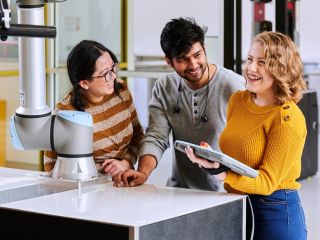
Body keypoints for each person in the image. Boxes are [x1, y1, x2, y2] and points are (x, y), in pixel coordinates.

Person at [185, 31, 308, 239]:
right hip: (239, 204)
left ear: (281, 69)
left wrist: (221, 172)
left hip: (275, 212)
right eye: (250, 59)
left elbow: (267, 182)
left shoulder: (287, 118)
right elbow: (241, 155)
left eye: (262, 62)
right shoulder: (238, 101)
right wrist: (213, 159)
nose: (251, 68)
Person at [113, 17, 245, 190]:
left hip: (225, 193)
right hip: (180, 191)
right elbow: (156, 136)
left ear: (204, 49)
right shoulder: (165, 87)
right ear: (169, 61)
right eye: (183, 59)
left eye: (197, 55)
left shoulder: (234, 87)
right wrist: (143, 173)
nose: (193, 64)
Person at [44, 40, 144, 177]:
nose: (113, 76)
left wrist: (125, 163)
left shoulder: (121, 90)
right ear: (84, 83)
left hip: (126, 181)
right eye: (106, 74)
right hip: (88, 189)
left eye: (113, 68)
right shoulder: (65, 112)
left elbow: (138, 135)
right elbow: (51, 166)